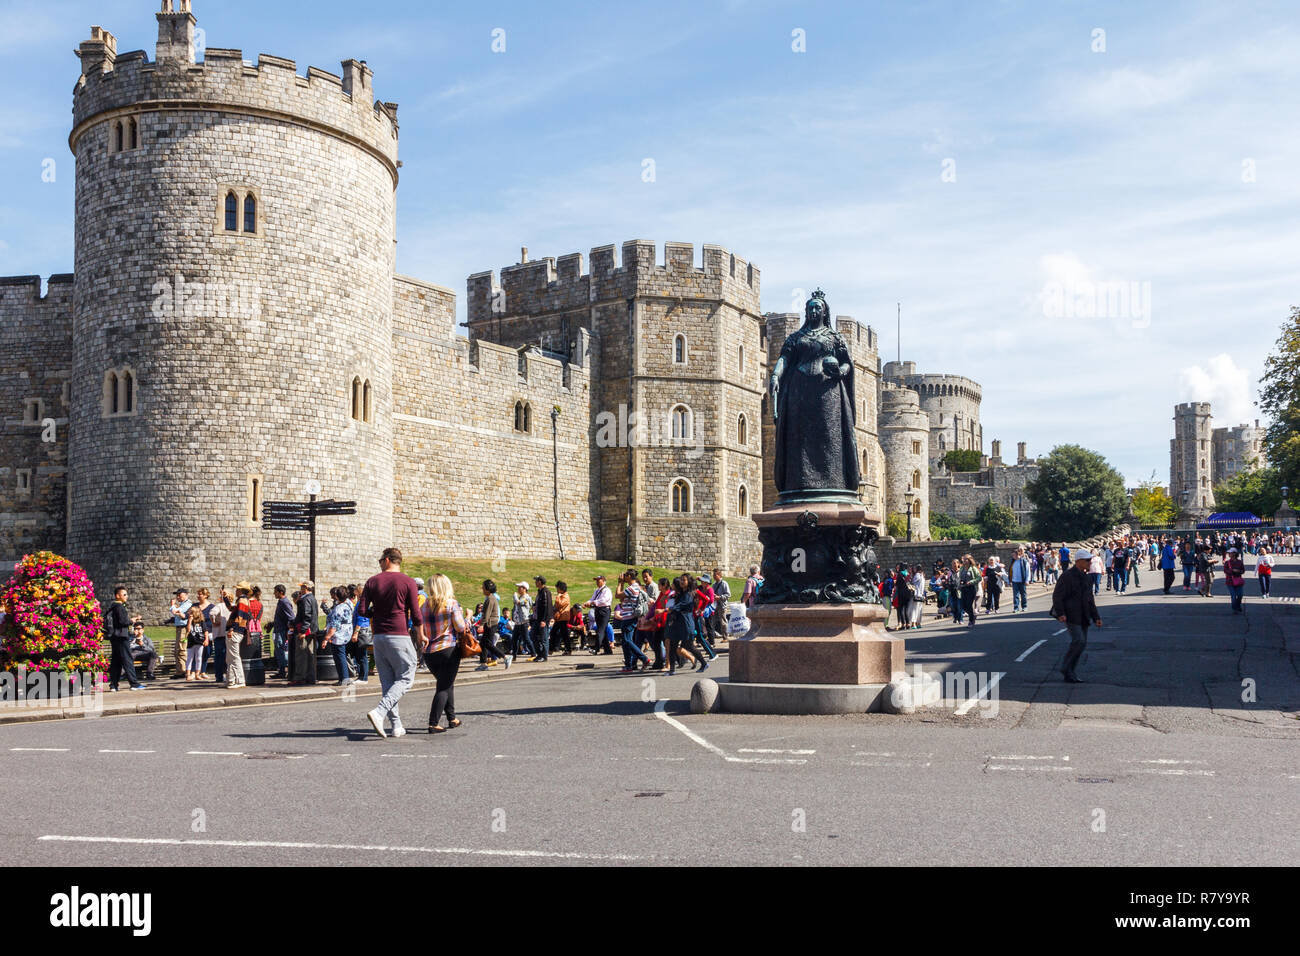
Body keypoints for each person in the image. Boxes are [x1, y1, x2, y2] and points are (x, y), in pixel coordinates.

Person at [358, 548, 424, 739]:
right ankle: (380, 712)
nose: (379, 564)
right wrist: (420, 634)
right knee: (406, 677)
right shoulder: (408, 582)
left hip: (379, 636)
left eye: (380, 560)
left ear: (387, 560)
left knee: (388, 682)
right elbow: (416, 613)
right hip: (399, 634)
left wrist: (375, 614)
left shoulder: (372, 581)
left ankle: (396, 726)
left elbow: (362, 610)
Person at [422, 573, 467, 734]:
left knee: (447, 684)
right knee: (443, 686)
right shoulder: (451, 604)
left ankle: (452, 718)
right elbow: (461, 627)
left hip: (429, 653)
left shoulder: (424, 606)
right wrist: (467, 616)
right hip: (448, 649)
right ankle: (433, 723)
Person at [1050, 549, 1102, 683]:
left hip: (1084, 615)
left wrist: (1096, 617)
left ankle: (1069, 671)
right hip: (1071, 615)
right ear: (1079, 561)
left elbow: (1090, 599)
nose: (1090, 562)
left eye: (1090, 560)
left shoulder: (1087, 577)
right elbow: (1057, 596)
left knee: (1081, 644)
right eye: (1088, 560)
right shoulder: (1067, 576)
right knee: (1079, 641)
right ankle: (1066, 668)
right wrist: (1060, 613)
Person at [104, 587, 144, 692]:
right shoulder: (119, 607)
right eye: (124, 594)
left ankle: (113, 685)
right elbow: (123, 622)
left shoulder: (112, 607)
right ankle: (134, 683)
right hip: (122, 636)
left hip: (114, 637)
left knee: (116, 661)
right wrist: (132, 620)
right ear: (118, 596)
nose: (127, 596)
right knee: (127, 659)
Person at [613, 571, 649, 673]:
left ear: (629, 576)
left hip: (629, 617)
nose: (623, 577)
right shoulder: (635, 587)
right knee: (625, 642)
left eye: (624, 576)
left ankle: (644, 659)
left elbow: (617, 595)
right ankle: (628, 666)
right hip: (629, 617)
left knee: (627, 641)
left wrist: (620, 583)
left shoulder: (632, 588)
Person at [665, 576, 701, 675]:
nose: (681, 582)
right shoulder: (678, 594)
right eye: (680, 580)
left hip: (685, 623)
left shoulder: (689, 594)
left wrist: (668, 610)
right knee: (672, 646)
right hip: (676, 623)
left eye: (683, 580)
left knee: (688, 646)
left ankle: (701, 661)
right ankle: (672, 669)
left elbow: (680, 606)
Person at [474, 580, 510, 671]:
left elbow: (486, 614)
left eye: (483, 587)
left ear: (488, 589)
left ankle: (505, 657)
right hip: (490, 624)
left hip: (491, 624)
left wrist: (481, 625)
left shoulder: (490, 599)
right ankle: (483, 664)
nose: (482, 588)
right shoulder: (490, 597)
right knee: (483, 644)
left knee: (487, 643)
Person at [324, 585, 355, 684]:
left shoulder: (339, 608)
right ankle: (343, 678)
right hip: (346, 632)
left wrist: (326, 638)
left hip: (339, 635)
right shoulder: (349, 603)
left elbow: (334, 626)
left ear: (337, 596)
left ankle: (344, 678)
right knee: (341, 655)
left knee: (339, 656)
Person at [292, 580, 319, 685]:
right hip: (311, 630)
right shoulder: (312, 598)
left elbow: (307, 616)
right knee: (310, 654)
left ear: (306, 588)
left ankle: (300, 677)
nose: (301, 589)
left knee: (301, 655)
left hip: (305, 630)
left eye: (302, 587)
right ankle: (310, 677)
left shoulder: (305, 599)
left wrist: (302, 631)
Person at [583, 575, 614, 655]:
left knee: (600, 630)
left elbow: (603, 601)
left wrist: (593, 603)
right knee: (602, 630)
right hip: (598, 610)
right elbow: (592, 599)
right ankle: (608, 650)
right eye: (596, 580)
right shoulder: (597, 591)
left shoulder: (607, 590)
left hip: (604, 610)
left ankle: (596, 649)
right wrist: (587, 603)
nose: (597, 582)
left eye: (599, 580)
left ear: (604, 581)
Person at [168, 588, 192, 679]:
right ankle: (180, 670)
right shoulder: (183, 604)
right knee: (178, 650)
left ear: (186, 595)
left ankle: (185, 670)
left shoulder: (188, 604)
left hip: (183, 629)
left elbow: (176, 612)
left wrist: (173, 605)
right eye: (177, 595)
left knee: (182, 649)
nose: (177, 597)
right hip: (179, 628)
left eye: (179, 595)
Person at [271, 585, 294, 679]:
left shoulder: (284, 602)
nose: (274, 593)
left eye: (275, 592)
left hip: (282, 631)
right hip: (278, 629)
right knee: (278, 651)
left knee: (281, 651)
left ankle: (285, 671)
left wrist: (290, 630)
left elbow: (291, 617)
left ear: (280, 592)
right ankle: (281, 671)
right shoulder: (281, 602)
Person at [209, 589, 231, 684]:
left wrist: (214, 621)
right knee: (228, 657)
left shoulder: (220, 605)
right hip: (229, 634)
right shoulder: (233, 606)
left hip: (219, 634)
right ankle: (228, 675)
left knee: (219, 657)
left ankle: (219, 676)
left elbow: (211, 613)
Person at [510, 582, 533, 661]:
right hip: (517, 622)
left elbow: (519, 603)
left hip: (524, 622)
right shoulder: (520, 597)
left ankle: (533, 653)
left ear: (525, 589)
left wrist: (515, 597)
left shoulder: (526, 597)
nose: (518, 589)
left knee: (526, 638)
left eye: (520, 587)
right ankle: (514, 656)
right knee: (514, 639)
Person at [533, 577, 554, 661]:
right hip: (537, 619)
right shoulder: (540, 592)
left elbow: (547, 607)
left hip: (543, 620)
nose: (535, 582)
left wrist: (544, 620)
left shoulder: (546, 592)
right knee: (534, 636)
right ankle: (539, 654)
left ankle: (544, 656)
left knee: (543, 638)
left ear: (540, 582)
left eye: (536, 581)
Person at [184, 605, 207, 680]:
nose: (189, 613)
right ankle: (188, 674)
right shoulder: (190, 621)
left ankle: (197, 674)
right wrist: (190, 621)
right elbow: (188, 630)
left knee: (199, 658)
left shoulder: (202, 622)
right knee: (189, 658)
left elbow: (205, 631)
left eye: (191, 612)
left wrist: (206, 639)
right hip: (191, 641)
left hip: (199, 641)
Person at [1222, 548, 1246, 614]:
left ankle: (1238, 605)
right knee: (1233, 595)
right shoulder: (1227, 562)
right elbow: (1225, 571)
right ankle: (1234, 608)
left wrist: (1238, 571)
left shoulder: (1240, 562)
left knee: (1240, 595)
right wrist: (1232, 571)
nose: (1229, 554)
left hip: (1238, 581)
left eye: (1230, 553)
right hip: (1230, 581)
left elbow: (1243, 571)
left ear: (1235, 553)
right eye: (1229, 553)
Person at [710, 569, 731, 643]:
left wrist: (719, 597)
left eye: (715, 575)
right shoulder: (714, 584)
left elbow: (728, 595)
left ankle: (725, 637)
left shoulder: (724, 583)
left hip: (722, 605)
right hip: (715, 605)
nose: (714, 577)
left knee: (723, 622)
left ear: (719, 575)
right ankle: (711, 636)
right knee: (712, 622)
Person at [958, 555, 979, 627]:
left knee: (969, 605)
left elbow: (979, 578)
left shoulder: (973, 568)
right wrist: (959, 584)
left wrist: (971, 582)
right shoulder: (962, 568)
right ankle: (972, 616)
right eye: (963, 559)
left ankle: (971, 621)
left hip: (971, 588)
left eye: (966, 559)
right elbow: (960, 578)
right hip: (963, 588)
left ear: (969, 560)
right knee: (963, 605)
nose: (964, 561)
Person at [552, 581, 572, 655]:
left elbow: (560, 604)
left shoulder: (565, 596)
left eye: (557, 588)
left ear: (561, 589)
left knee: (564, 634)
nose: (556, 590)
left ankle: (568, 650)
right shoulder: (561, 596)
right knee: (555, 632)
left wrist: (557, 596)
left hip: (563, 618)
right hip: (559, 618)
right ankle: (552, 648)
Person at [1009, 547, 1030, 613]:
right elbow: (1010, 571)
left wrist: (1027, 580)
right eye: (1012, 555)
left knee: (1023, 594)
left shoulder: (1024, 561)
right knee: (1015, 595)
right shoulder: (1013, 562)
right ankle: (1016, 608)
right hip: (1014, 581)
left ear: (1017, 554)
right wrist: (1009, 580)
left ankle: (1024, 607)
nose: (1012, 556)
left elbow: (1027, 571)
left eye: (1013, 555)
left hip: (1022, 581)